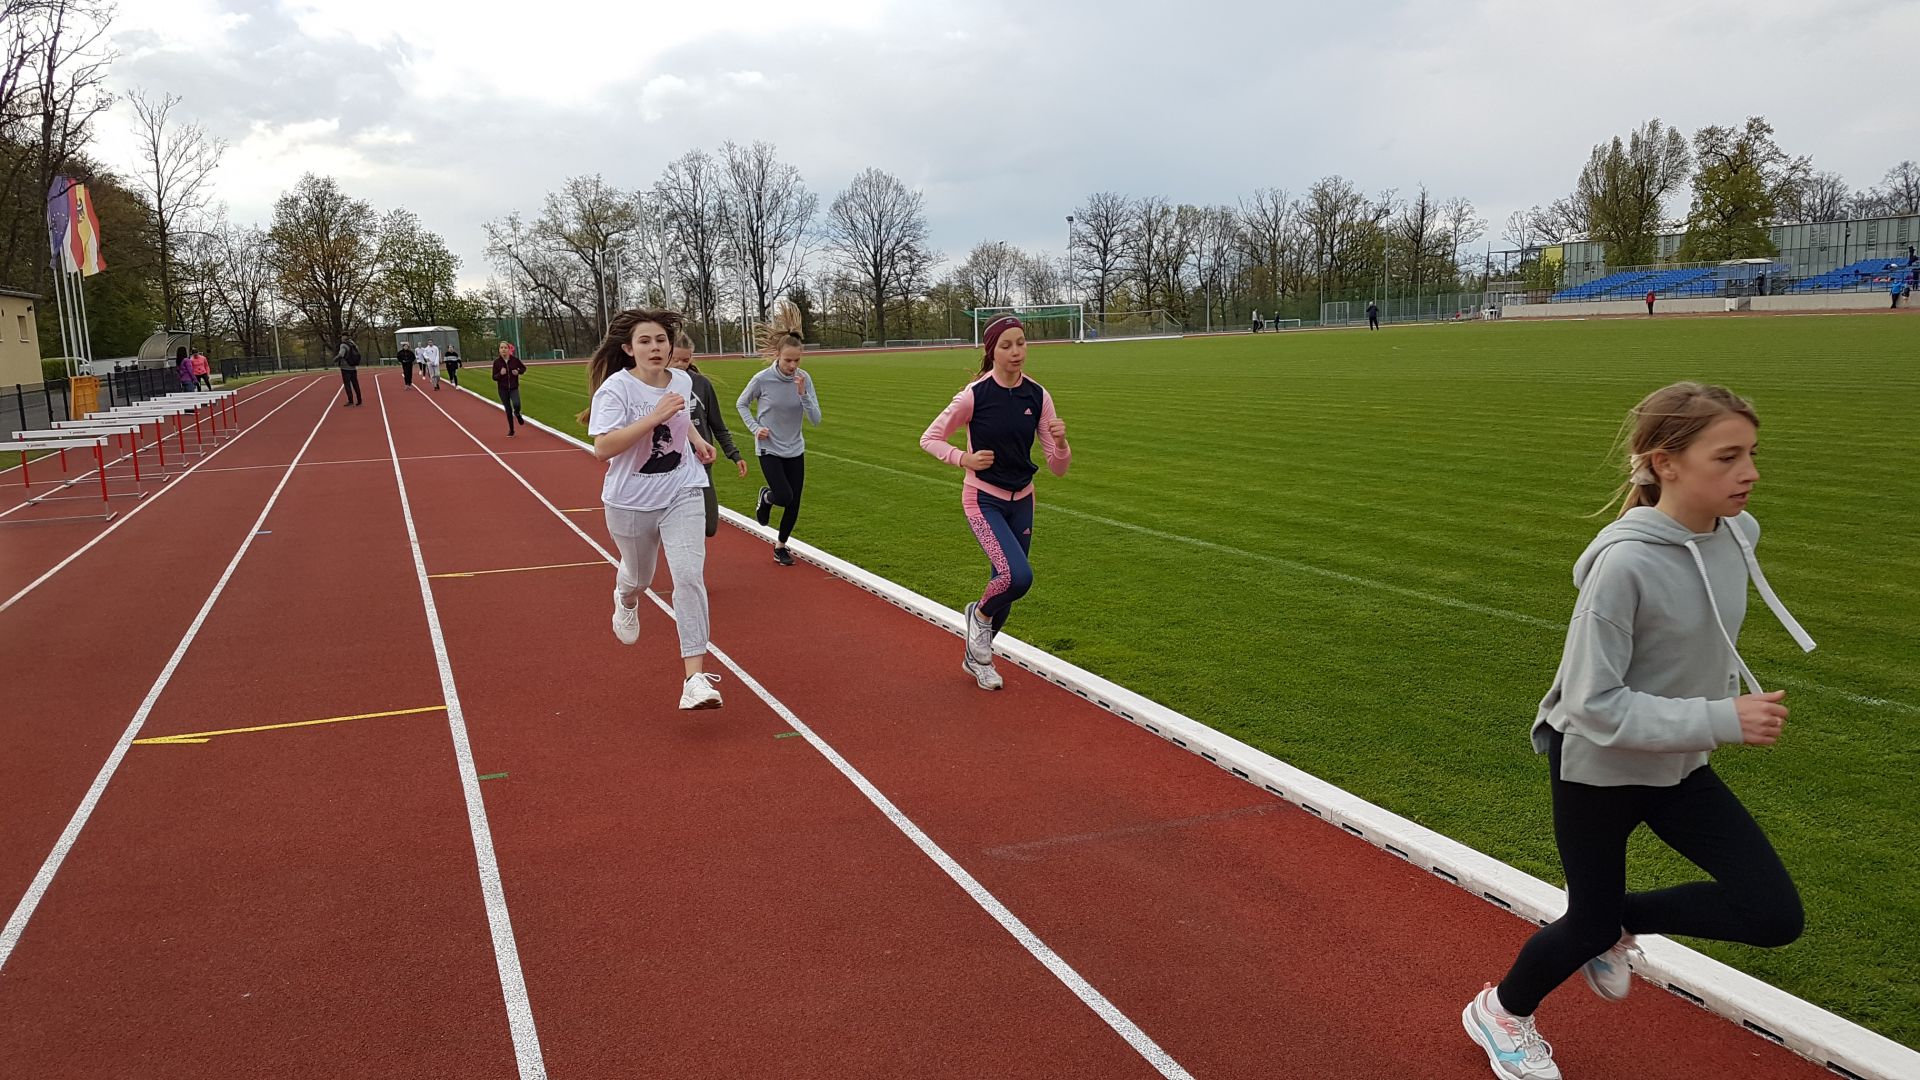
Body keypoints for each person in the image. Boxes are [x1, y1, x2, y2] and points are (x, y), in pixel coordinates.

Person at [1462, 382, 1815, 1080]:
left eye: (1752, 453)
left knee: (1771, 913)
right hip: (1597, 765)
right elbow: (1591, 703)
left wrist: (1703, 726)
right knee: (1586, 923)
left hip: (1677, 762)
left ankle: (1604, 924)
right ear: (1666, 463)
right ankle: (1500, 1013)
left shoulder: (1738, 532)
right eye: (1728, 457)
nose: (1750, 473)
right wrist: (1723, 717)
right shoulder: (1623, 565)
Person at [918, 315, 1071, 691]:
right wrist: (962, 458)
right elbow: (929, 438)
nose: (1016, 352)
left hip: (1023, 500)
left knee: (1004, 584)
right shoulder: (974, 394)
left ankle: (978, 657)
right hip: (983, 499)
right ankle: (978, 615)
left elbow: (1058, 467)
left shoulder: (1037, 395)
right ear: (992, 351)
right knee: (1017, 577)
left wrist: (1063, 443)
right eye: (1007, 345)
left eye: (1021, 343)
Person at [580, 309, 723, 711]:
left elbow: (679, 415)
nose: (656, 348)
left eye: (661, 340)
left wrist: (695, 439)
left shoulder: (681, 379)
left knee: (689, 577)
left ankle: (694, 678)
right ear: (629, 349)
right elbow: (603, 448)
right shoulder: (615, 391)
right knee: (640, 578)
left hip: (682, 489)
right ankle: (625, 598)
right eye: (645, 341)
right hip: (629, 500)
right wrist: (654, 416)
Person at [735, 301, 821, 566]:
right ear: (777, 355)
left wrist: (803, 395)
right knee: (783, 496)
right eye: (788, 360)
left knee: (794, 503)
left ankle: (781, 546)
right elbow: (741, 403)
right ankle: (766, 497)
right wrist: (755, 428)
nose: (793, 366)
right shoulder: (762, 379)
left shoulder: (804, 379)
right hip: (769, 446)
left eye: (797, 360)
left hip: (795, 447)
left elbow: (816, 420)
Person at [669, 331, 747, 538]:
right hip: (668, 467)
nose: (679, 364)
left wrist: (734, 454)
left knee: (709, 527)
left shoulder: (701, 384)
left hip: (701, 464)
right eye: (674, 359)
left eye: (685, 360)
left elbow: (718, 425)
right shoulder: (656, 385)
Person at [492, 341, 526, 436]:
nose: (503, 349)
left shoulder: (514, 360)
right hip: (503, 389)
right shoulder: (497, 362)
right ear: (499, 350)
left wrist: (518, 372)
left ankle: (518, 413)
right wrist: (500, 374)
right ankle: (511, 430)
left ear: (508, 349)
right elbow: (494, 377)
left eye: (505, 348)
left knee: (516, 403)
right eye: (501, 348)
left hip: (513, 387)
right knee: (508, 409)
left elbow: (523, 368)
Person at [336, 338, 363, 406]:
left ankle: (350, 401)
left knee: (347, 385)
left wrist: (335, 359)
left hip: (345, 367)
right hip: (353, 367)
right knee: (355, 384)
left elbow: (341, 354)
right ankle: (359, 400)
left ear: (343, 337)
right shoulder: (353, 344)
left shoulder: (343, 345)